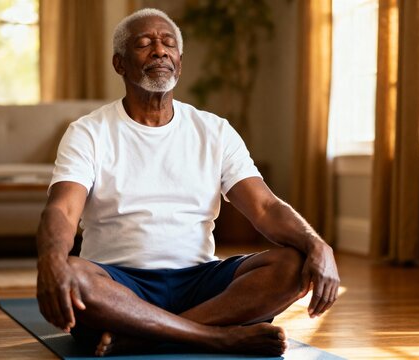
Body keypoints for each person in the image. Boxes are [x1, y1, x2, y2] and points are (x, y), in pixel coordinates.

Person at [36, 8, 340, 357]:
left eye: (168, 44)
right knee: (74, 274)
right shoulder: (89, 131)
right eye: (144, 43)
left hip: (200, 282)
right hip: (119, 283)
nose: (160, 50)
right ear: (119, 64)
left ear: (179, 63)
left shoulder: (214, 130)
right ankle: (214, 337)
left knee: (292, 264)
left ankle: (145, 333)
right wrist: (50, 262)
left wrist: (319, 245)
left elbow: (265, 206)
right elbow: (62, 208)